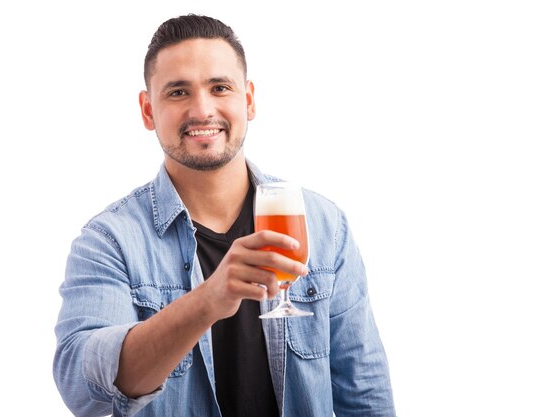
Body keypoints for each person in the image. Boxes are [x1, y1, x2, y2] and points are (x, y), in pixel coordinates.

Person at [54, 14, 396, 417]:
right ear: (148, 111)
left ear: (248, 100)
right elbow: (82, 385)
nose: (202, 110)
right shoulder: (109, 240)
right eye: (178, 92)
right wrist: (209, 300)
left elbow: (365, 394)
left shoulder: (324, 225)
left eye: (220, 87)